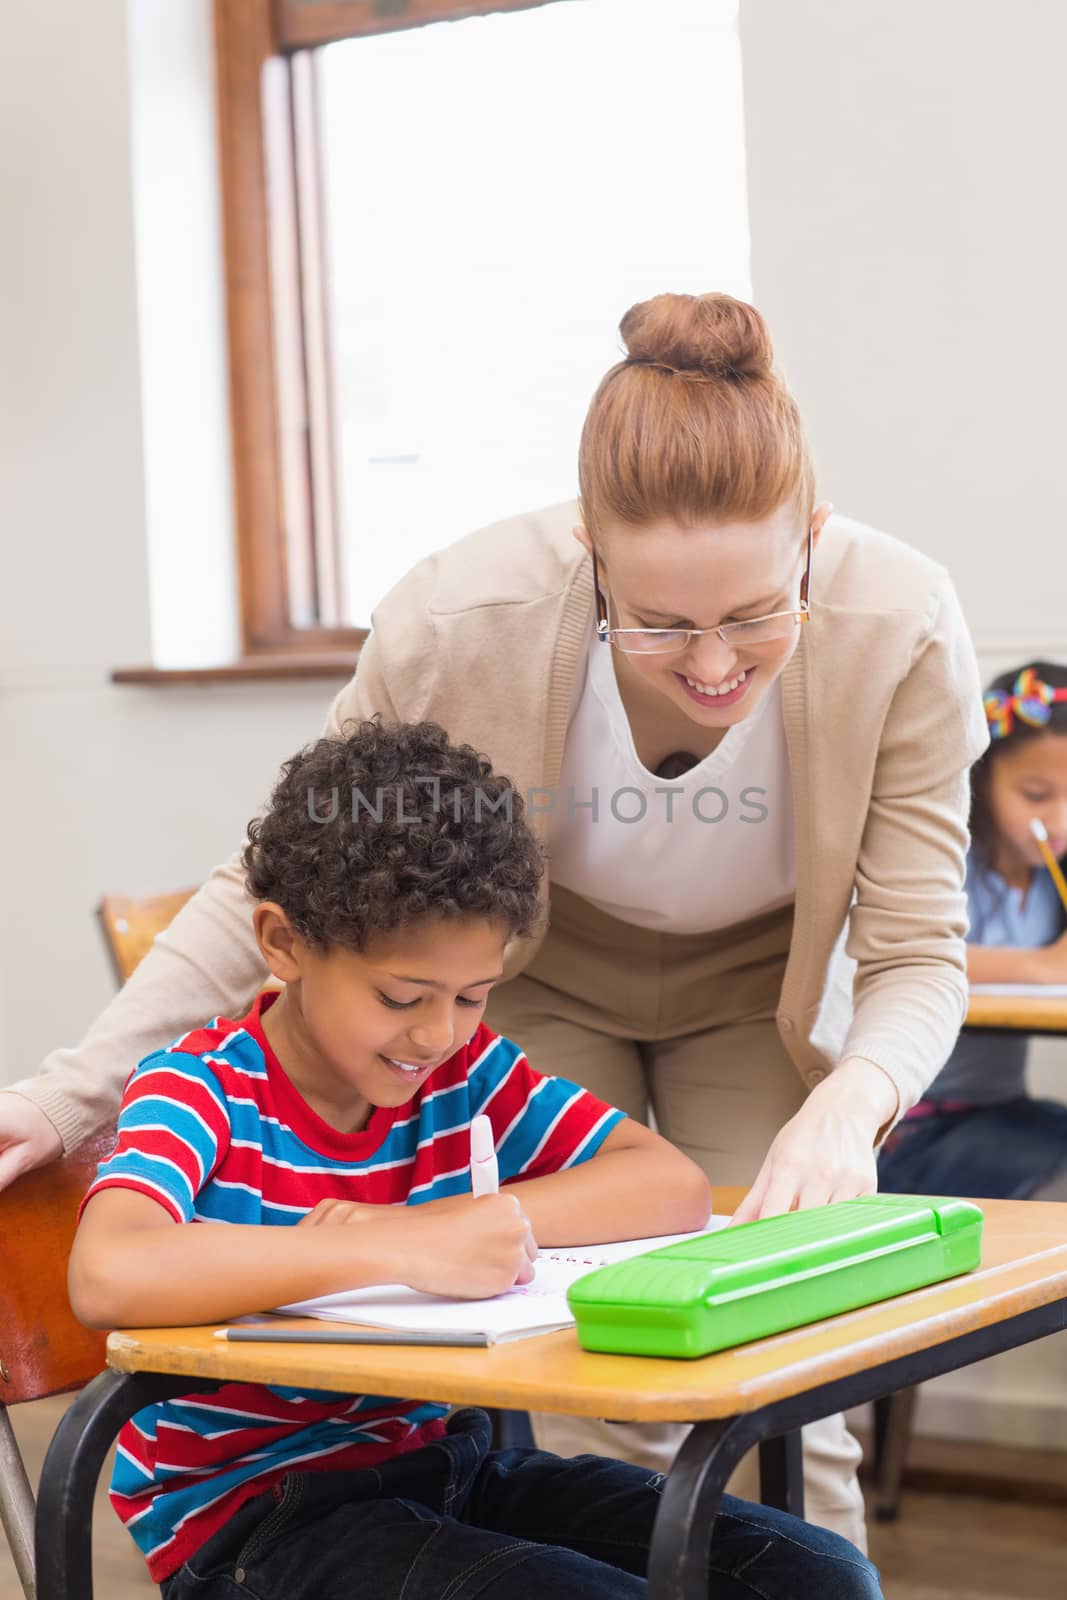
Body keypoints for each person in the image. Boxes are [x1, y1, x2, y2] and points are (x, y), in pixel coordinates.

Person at [3, 292, 988, 1541]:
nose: (711, 668)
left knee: (790, 1382)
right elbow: (275, 887)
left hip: (759, 990)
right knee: (606, 1377)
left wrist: (850, 1104)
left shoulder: (899, 624)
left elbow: (912, 948)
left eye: (754, 615)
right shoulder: (459, 618)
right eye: (659, 624)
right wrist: (66, 1092)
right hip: (538, 983)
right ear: (587, 553)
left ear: (812, 537)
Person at [68, 720, 884, 1600]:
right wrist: (394, 1247)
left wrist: (460, 1225)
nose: (436, 1033)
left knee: (814, 1575)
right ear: (283, 943)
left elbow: (670, 1185)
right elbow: (109, 1272)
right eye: (400, 996)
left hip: (446, 1466)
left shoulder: (462, 1071)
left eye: (472, 996)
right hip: (254, 1518)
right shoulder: (200, 1089)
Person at [879, 662, 1067, 1200]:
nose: (1059, 819)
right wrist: (1041, 966)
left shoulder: (1050, 878)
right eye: (1036, 795)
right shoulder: (948, 861)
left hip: (1005, 1110)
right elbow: (906, 954)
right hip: (917, 1126)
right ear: (983, 780)